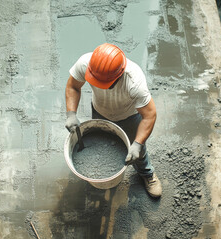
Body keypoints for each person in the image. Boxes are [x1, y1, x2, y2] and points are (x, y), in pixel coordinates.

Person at [65, 43, 162, 198]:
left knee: (138, 152)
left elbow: (149, 114)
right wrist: (71, 113)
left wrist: (137, 143)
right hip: (100, 111)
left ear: (119, 76)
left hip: (128, 117)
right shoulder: (86, 63)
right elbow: (73, 86)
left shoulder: (134, 81)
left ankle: (147, 174)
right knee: (101, 143)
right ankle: (99, 168)